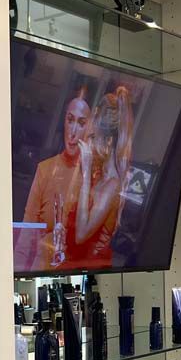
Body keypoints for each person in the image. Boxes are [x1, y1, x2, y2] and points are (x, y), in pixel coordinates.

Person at [17, 90, 92, 270]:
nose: (73, 132)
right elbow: (26, 237)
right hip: (42, 271)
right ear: (63, 122)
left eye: (81, 123)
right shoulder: (45, 169)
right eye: (70, 120)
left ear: (89, 129)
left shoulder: (94, 177)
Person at [75, 85, 133, 268]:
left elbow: (81, 235)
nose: (89, 142)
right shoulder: (101, 176)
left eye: (93, 137)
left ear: (108, 141)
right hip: (82, 264)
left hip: (93, 266)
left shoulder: (112, 185)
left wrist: (86, 172)